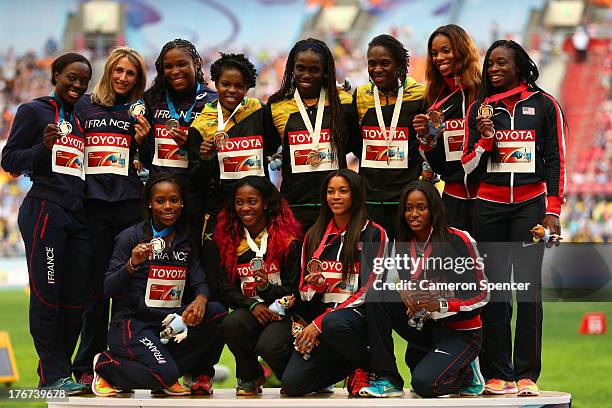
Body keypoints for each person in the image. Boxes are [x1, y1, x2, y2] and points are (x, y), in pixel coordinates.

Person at [461, 40, 566, 396]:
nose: (493, 69)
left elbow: (556, 159)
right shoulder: (480, 109)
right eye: (490, 64)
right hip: (488, 208)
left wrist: (553, 209)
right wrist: (486, 141)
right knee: (495, 293)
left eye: (501, 63)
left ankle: (527, 376)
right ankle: (498, 373)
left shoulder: (545, 105)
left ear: (519, 66)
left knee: (528, 289)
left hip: (531, 208)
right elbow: (467, 170)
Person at [1, 53, 93, 393]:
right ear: (55, 75)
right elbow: (9, 160)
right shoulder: (33, 111)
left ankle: (59, 371)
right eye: (71, 77)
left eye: (84, 81)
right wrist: (43, 148)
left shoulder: (85, 116)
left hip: (78, 215)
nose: (78, 85)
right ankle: (53, 375)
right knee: (46, 294)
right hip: (45, 210)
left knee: (76, 300)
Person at [91, 173, 226, 397]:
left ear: (182, 202)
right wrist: (132, 264)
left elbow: (200, 282)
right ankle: (106, 365)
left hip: (167, 325)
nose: (168, 206)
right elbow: (108, 288)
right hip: (133, 325)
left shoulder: (186, 238)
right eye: (160, 201)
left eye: (174, 200)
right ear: (149, 204)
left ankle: (166, 370)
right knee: (166, 375)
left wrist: (201, 299)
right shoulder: (130, 237)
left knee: (217, 313)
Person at [360, 181, 488, 398]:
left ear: (434, 209)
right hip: (428, 327)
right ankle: (388, 378)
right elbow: (404, 284)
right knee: (376, 294)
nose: (414, 214)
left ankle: (468, 374)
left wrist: (441, 304)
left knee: (424, 385)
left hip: (461, 332)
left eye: (421, 207)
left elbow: (482, 295)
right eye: (408, 208)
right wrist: (404, 293)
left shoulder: (458, 240)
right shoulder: (402, 243)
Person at [72, 46, 150, 386]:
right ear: (109, 71)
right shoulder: (84, 105)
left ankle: (118, 359)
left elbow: (150, 162)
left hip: (129, 204)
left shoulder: (141, 112)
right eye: (118, 70)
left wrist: (144, 142)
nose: (123, 77)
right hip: (94, 206)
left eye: (130, 73)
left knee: (125, 283)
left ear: (138, 79)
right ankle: (85, 362)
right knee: (95, 288)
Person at [281, 169, 388, 397]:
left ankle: (367, 365)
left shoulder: (374, 233)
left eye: (343, 191)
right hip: (323, 320)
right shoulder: (314, 235)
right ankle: (349, 365)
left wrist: (321, 322)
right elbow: (304, 292)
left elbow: (372, 287)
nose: (335, 197)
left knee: (335, 324)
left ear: (356, 195)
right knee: (293, 385)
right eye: (330, 192)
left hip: (356, 319)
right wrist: (317, 287)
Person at [188, 53, 275, 299]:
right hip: (220, 214)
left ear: (248, 87)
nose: (232, 90)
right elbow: (195, 179)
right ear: (216, 83)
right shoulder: (202, 124)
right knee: (217, 283)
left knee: (259, 278)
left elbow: (271, 145)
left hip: (260, 216)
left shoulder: (257, 110)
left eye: (239, 85)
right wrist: (205, 159)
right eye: (226, 84)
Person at [215, 176, 301, 395]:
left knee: (269, 346)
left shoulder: (287, 239)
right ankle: (249, 376)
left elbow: (294, 287)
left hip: (284, 313)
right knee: (231, 323)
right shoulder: (230, 240)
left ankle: (300, 376)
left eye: (252, 201)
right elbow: (225, 289)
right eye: (239, 202)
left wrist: (267, 291)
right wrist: (252, 304)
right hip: (252, 310)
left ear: (265, 203)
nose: (245, 208)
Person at [267, 38, 357, 230]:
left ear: (325, 71)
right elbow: (265, 150)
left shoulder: (344, 102)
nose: (306, 75)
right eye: (300, 68)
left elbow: (355, 146)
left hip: (335, 207)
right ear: (292, 68)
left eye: (314, 69)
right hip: (295, 207)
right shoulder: (277, 105)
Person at [140, 39, 217, 244]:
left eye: (182, 64)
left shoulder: (213, 101)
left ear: (197, 63)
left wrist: (192, 147)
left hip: (197, 196)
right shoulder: (152, 99)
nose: (175, 71)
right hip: (161, 196)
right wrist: (141, 141)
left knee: (194, 256)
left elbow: (218, 157)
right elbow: (147, 157)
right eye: (168, 66)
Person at [351, 34, 426, 238]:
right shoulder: (360, 96)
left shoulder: (420, 94)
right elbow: (354, 140)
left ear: (399, 64)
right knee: (373, 266)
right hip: (370, 200)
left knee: (407, 265)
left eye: (385, 63)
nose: (377, 69)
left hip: (407, 200)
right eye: (372, 64)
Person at [414, 25, 481, 233]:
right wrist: (426, 138)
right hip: (452, 198)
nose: (439, 58)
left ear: (461, 50)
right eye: (434, 53)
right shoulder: (432, 99)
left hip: (487, 198)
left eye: (446, 50)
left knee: (491, 262)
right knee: (454, 263)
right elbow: (434, 162)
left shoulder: (484, 92)